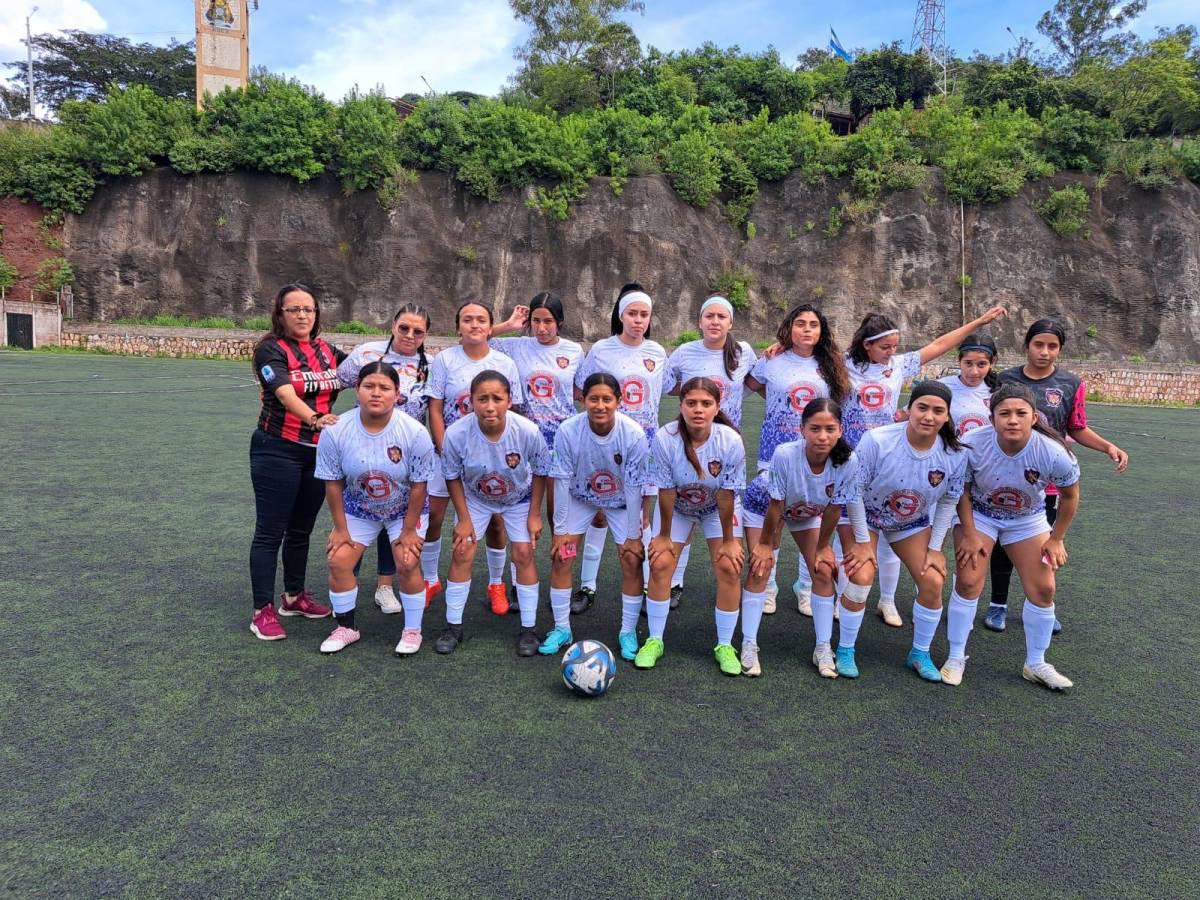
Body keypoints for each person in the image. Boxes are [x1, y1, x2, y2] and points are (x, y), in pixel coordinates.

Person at [839, 305, 1006, 629]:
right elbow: (811, 354)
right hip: (850, 455)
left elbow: (940, 344)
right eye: (885, 346)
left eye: (895, 346)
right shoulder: (844, 365)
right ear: (866, 345)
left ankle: (887, 601)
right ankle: (832, 596)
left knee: (892, 533)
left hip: (892, 455)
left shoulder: (898, 365)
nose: (893, 352)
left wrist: (980, 321)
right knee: (846, 535)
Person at [984, 318, 1128, 633]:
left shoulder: (1070, 384)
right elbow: (989, 419)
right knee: (1000, 544)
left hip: (1046, 483)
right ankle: (997, 605)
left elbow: (1076, 426)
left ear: (1060, 350)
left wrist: (1107, 447)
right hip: (1006, 475)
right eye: (1039, 344)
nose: (1045, 352)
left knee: (1046, 543)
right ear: (1026, 346)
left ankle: (1040, 604)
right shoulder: (1005, 379)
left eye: (1052, 346)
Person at [950, 383, 1081, 689]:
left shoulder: (1053, 451)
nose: (1012, 420)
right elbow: (962, 492)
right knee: (968, 581)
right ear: (991, 417)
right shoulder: (972, 443)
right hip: (980, 516)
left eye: (1020, 413)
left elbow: (1071, 497)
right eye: (1004, 413)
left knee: (1045, 588)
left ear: (1034, 417)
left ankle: (1036, 663)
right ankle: (955, 657)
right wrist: (968, 533)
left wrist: (1056, 538)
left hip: (1027, 519)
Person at [845, 382, 968, 681]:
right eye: (922, 407)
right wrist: (862, 542)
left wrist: (936, 547)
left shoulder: (955, 454)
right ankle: (845, 649)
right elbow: (853, 491)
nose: (928, 416)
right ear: (908, 409)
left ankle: (920, 652)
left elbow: (950, 499)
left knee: (933, 580)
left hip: (909, 522)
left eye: (938, 410)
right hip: (866, 516)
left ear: (948, 416)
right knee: (861, 577)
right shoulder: (877, 440)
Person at [743, 399, 874, 678]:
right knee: (760, 568)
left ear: (840, 430)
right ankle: (749, 644)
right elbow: (776, 506)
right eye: (815, 428)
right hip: (764, 507)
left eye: (830, 428)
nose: (822, 436)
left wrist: (824, 548)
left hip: (808, 509)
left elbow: (835, 508)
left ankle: (823, 647)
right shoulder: (784, 454)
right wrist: (765, 545)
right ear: (802, 429)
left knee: (824, 570)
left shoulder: (848, 460)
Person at [314, 362, 436, 655]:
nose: (376, 394)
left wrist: (408, 530)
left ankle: (412, 630)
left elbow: (420, 486)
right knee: (339, 559)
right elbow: (333, 483)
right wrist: (341, 529)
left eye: (385, 388)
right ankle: (346, 627)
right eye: (369, 386)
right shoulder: (336, 430)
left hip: (403, 510)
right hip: (360, 508)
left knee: (406, 560)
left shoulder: (415, 433)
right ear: (357, 390)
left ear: (397, 394)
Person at [248, 283, 345, 641]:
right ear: (280, 314)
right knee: (270, 531)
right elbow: (285, 393)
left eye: (309, 309)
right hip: (277, 448)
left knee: (301, 530)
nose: (303, 315)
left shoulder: (326, 351)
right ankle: (262, 610)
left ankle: (293, 596)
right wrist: (315, 418)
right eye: (295, 309)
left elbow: (365, 372)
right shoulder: (270, 350)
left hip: (317, 453)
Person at [743, 303, 849, 617]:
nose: (806, 329)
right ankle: (769, 586)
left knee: (812, 518)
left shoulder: (831, 364)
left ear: (821, 331)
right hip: (774, 452)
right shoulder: (771, 360)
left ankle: (805, 586)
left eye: (813, 324)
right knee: (771, 518)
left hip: (818, 454)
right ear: (790, 328)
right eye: (800, 323)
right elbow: (748, 387)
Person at [436, 370, 550, 656]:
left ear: (509, 401)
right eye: (482, 398)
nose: (489, 406)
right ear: (470, 401)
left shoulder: (526, 430)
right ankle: (453, 626)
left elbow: (541, 471)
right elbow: (451, 475)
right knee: (462, 551)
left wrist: (535, 512)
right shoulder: (457, 433)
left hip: (519, 497)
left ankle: (528, 628)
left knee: (523, 553)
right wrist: (463, 519)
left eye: (497, 398)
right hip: (476, 498)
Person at [422, 302, 524, 616]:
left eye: (481, 320)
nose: (474, 325)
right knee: (434, 517)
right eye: (467, 319)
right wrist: (444, 450)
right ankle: (429, 580)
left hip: (490, 458)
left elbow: (514, 410)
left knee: (495, 522)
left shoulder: (504, 363)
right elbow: (435, 409)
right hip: (449, 452)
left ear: (490, 326)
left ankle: (496, 584)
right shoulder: (444, 361)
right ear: (458, 327)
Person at [541, 373, 651, 660]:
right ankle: (562, 628)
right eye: (593, 399)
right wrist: (561, 529)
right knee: (562, 556)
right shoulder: (568, 430)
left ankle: (627, 631)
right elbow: (561, 480)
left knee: (630, 558)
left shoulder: (633, 434)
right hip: (581, 497)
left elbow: (635, 486)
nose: (599, 405)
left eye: (606, 399)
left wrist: (632, 536)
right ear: (583, 399)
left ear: (619, 401)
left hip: (621, 502)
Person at [573, 284, 669, 612]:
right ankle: (587, 585)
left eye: (644, 314)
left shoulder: (658, 352)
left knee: (642, 516)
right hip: (605, 444)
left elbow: (666, 390)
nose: (638, 320)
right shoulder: (602, 349)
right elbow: (582, 390)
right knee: (600, 512)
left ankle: (644, 586)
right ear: (620, 315)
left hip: (645, 447)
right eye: (632, 313)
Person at [641, 377, 746, 675]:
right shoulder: (665, 437)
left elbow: (727, 494)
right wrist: (662, 536)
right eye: (691, 403)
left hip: (717, 508)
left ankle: (725, 645)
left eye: (705, 404)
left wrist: (729, 540)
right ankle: (654, 640)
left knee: (729, 565)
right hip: (679, 507)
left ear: (716, 408)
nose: (698, 410)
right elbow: (666, 489)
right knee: (660, 563)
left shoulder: (730, 440)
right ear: (681, 405)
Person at [661, 296, 757, 609]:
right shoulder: (685, 352)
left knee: (722, 502)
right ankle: (674, 582)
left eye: (721, 317)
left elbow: (757, 380)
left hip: (726, 448)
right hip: (690, 442)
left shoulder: (744, 353)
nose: (715, 322)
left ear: (730, 323)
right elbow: (665, 385)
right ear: (700, 321)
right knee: (685, 508)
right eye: (709, 316)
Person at [336, 303, 432, 614]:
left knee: (395, 516)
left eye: (418, 331)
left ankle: (385, 586)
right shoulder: (368, 353)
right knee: (360, 514)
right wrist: (319, 416)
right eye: (404, 327)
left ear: (426, 334)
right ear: (393, 325)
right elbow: (336, 382)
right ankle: (345, 582)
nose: (409, 335)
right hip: (363, 449)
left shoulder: (431, 364)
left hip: (405, 455)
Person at [488, 292, 584, 602]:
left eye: (548, 322)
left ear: (560, 323)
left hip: (562, 442)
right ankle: (518, 584)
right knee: (519, 515)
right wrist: (510, 324)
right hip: (524, 441)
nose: (541, 328)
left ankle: (562, 575)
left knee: (562, 516)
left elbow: (580, 391)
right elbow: (475, 338)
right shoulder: (516, 345)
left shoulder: (574, 351)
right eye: (536, 321)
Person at [938, 333, 1000, 437]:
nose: (974, 372)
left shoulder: (999, 391)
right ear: (959, 360)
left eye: (981, 364)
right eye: (968, 363)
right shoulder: (941, 387)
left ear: (992, 363)